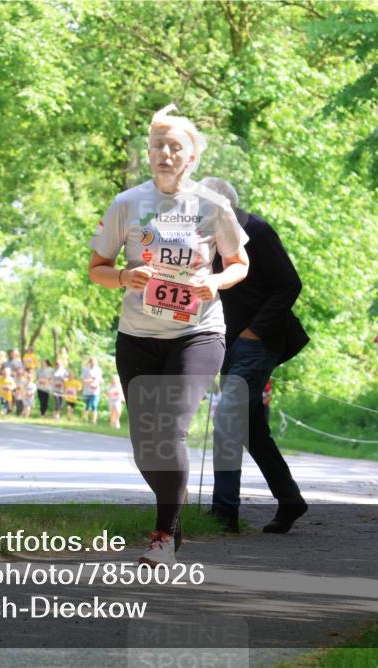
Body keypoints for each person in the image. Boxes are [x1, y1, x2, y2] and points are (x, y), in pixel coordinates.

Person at [87, 104, 249, 565]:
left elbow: (240, 263)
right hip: (138, 334)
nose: (165, 154)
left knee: (170, 430)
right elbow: (96, 269)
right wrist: (124, 277)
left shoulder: (212, 206)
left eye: (175, 147)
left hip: (197, 332)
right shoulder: (126, 204)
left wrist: (215, 281)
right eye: (158, 146)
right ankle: (172, 517)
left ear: (191, 157)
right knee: (146, 446)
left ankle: (161, 537)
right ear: (149, 153)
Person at [201, 177, 310, 534]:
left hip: (259, 341)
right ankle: (290, 499)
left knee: (228, 418)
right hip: (227, 342)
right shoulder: (205, 237)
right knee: (250, 428)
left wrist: (255, 331)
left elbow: (290, 284)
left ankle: (223, 514)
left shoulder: (258, 232)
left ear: (226, 207)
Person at [81, 356, 103, 425]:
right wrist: (90, 381)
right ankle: (85, 419)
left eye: (95, 362)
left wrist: (98, 383)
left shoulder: (99, 370)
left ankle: (94, 421)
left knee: (94, 405)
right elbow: (82, 380)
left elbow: (100, 380)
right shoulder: (86, 370)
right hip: (87, 391)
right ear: (90, 362)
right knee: (86, 406)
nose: (93, 363)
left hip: (95, 391)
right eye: (92, 362)